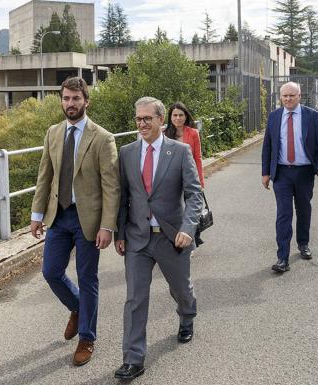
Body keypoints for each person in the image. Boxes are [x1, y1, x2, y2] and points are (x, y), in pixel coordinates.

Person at [30, 77, 119, 366]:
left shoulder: (102, 138)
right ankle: (79, 308)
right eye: (66, 99)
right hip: (58, 216)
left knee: (87, 277)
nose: (70, 104)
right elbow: (45, 176)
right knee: (51, 271)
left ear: (86, 101)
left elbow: (111, 186)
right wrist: (36, 215)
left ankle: (87, 338)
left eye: (76, 99)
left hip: (88, 219)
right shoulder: (53, 132)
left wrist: (107, 225)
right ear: (61, 100)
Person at [113, 97, 202, 381]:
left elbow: (194, 194)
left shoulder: (180, 151)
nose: (141, 124)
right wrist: (120, 232)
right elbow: (123, 196)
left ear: (161, 120)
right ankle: (133, 358)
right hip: (137, 238)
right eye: (138, 119)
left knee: (181, 289)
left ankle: (187, 315)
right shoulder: (126, 153)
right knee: (135, 299)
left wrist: (188, 228)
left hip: (172, 237)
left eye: (147, 119)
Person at [261, 81, 318, 273]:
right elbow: (267, 145)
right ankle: (282, 257)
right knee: (284, 214)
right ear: (280, 97)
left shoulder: (311, 116)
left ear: (300, 96)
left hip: (304, 172)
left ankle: (303, 243)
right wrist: (265, 172)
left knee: (303, 209)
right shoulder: (274, 117)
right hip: (282, 173)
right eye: (285, 96)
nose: (288, 99)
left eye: (292, 95)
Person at [165, 102, 205, 246]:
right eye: (174, 115)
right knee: (175, 211)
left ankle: (191, 242)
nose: (178, 118)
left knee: (190, 211)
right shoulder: (165, 134)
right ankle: (174, 240)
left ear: (185, 116)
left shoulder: (193, 133)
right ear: (170, 117)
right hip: (172, 179)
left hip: (189, 178)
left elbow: (197, 158)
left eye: (181, 115)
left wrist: (200, 182)